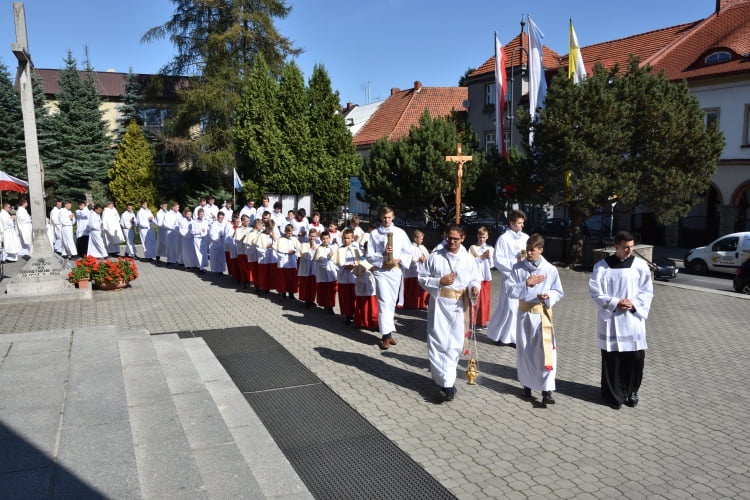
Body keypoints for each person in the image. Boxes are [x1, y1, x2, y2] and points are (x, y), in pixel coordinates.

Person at [589, 231, 654, 410]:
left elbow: (647, 291)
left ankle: (631, 391)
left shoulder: (640, 266)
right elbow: (595, 292)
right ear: (616, 247)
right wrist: (616, 302)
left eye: (632, 246)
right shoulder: (602, 267)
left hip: (633, 318)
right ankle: (612, 393)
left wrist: (632, 304)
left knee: (635, 357)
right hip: (612, 319)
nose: (630, 250)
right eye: (626, 247)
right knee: (613, 358)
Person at [417, 224, 481, 402]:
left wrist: (474, 288)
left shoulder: (468, 259)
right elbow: (422, 278)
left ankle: (448, 382)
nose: (451, 242)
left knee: (454, 344)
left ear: (463, 238)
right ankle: (445, 383)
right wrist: (439, 282)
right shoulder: (436, 256)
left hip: (459, 306)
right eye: (448, 238)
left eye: (455, 239)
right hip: (438, 304)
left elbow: (475, 278)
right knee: (437, 342)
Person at [507, 234, 564, 405]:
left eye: (532, 250)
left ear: (541, 250)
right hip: (524, 315)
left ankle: (547, 390)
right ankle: (527, 385)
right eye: (528, 249)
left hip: (542, 315)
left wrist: (549, 296)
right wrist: (526, 283)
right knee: (526, 351)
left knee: (546, 352)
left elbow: (558, 291)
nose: (529, 253)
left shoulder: (550, 269)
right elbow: (509, 290)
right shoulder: (518, 268)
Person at [365, 206, 413, 349]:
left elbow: (408, 251)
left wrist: (399, 259)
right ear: (381, 217)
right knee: (384, 301)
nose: (387, 220)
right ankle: (385, 336)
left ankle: (389, 333)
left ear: (393, 217)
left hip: (395, 271)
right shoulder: (374, 234)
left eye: (389, 217)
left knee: (391, 303)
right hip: (381, 271)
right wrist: (383, 255)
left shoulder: (400, 233)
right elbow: (369, 255)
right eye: (384, 217)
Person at [486, 209, 529, 347]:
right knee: (509, 307)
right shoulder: (504, 239)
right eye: (519, 223)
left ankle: (513, 338)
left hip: (523, 277)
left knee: (519, 308)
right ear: (511, 223)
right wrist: (514, 263)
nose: (522, 226)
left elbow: (529, 253)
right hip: (510, 277)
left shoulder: (525, 238)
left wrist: (526, 259)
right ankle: (499, 335)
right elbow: (498, 260)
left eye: (523, 223)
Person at [469, 226, 494, 329]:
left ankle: (482, 322)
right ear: (477, 236)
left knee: (485, 300)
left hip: (486, 277)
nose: (482, 239)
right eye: (480, 237)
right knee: (476, 298)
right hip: (476, 277)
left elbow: (493, 265)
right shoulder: (472, 248)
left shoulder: (490, 248)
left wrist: (488, 258)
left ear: (487, 236)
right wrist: (481, 257)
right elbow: (469, 262)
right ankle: (473, 321)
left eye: (484, 237)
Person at [334, 228, 361, 324]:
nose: (346, 240)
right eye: (344, 238)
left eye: (349, 238)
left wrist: (355, 264)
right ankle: (348, 315)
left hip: (354, 277)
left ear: (353, 238)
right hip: (344, 277)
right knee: (346, 297)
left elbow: (360, 260)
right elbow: (336, 263)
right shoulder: (339, 250)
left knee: (354, 296)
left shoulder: (356, 249)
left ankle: (356, 314)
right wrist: (345, 266)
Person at [403, 230, 429, 310]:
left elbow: (428, 256)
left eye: (422, 239)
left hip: (421, 270)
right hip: (412, 271)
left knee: (421, 287)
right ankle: (412, 303)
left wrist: (425, 258)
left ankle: (422, 303)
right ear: (415, 238)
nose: (422, 240)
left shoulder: (422, 247)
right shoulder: (410, 247)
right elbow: (407, 258)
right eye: (420, 239)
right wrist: (418, 258)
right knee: (413, 288)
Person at [313, 230, 338, 313]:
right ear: (320, 239)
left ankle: (330, 306)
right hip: (323, 274)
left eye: (327, 238)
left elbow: (337, 260)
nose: (325, 240)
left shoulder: (333, 247)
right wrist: (327, 258)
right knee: (324, 291)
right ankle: (326, 305)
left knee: (331, 291)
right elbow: (319, 262)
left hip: (332, 273)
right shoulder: (319, 249)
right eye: (323, 239)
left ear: (330, 238)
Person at [275, 224, 300, 299]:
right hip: (283, 262)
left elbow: (299, 248)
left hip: (292, 262)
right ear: (285, 232)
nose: (290, 235)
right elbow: (277, 250)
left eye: (291, 233)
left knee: (292, 279)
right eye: (288, 233)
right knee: (283, 278)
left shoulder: (294, 239)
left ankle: (291, 293)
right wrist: (286, 252)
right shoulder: (280, 239)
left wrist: (294, 251)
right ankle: (283, 292)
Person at [297, 227, 319, 308]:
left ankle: (311, 299)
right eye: (310, 236)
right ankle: (306, 300)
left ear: (316, 236)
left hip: (313, 268)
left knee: (313, 285)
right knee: (306, 285)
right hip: (306, 267)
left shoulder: (317, 246)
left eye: (313, 236)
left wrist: (313, 247)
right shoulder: (304, 245)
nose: (312, 238)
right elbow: (301, 255)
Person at [165, 202, 182, 266]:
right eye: (177, 207)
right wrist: (172, 227)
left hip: (177, 233)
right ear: (173, 207)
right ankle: (170, 261)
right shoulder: (168, 214)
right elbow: (165, 224)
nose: (178, 208)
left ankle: (176, 260)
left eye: (178, 207)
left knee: (176, 247)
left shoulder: (179, 214)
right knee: (171, 247)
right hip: (170, 233)